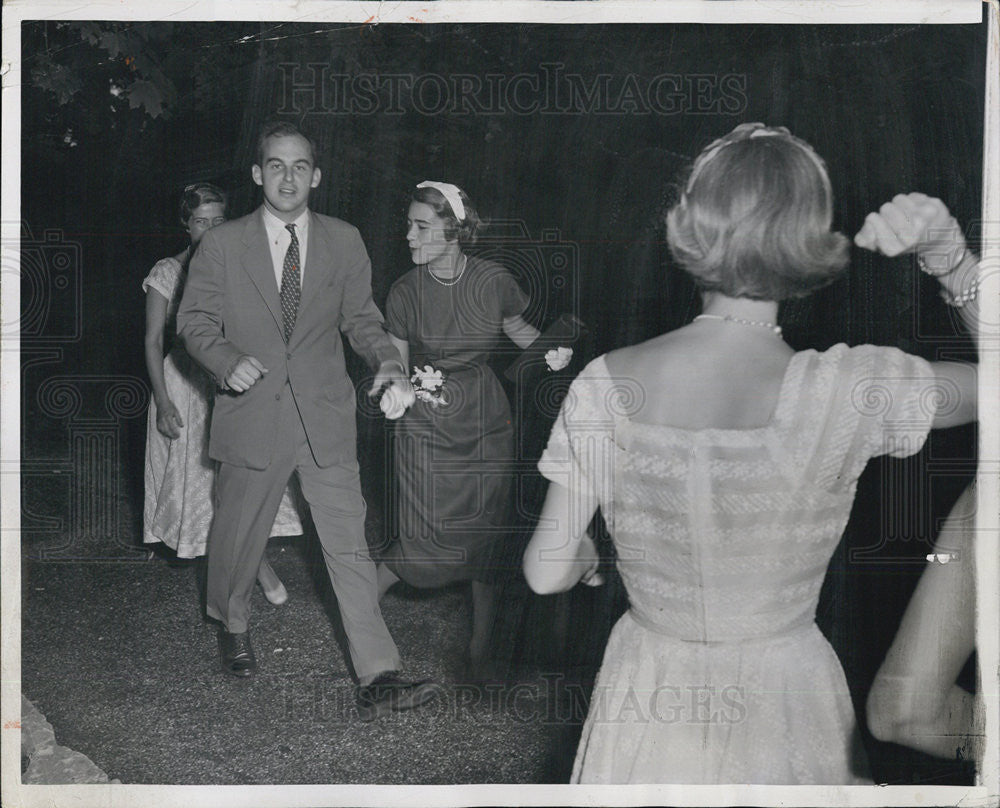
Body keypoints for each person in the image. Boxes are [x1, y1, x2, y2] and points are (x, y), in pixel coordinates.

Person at [522, 123, 980, 784]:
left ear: (688, 227)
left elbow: (544, 571)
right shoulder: (850, 388)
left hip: (648, 693)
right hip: (786, 696)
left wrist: (585, 554)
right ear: (810, 239)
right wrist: (953, 261)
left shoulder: (605, 380)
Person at [177, 122, 434, 720]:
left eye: (299, 166)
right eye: (275, 165)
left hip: (324, 416)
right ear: (257, 174)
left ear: (315, 177)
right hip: (251, 414)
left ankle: (379, 673)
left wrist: (390, 362)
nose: (287, 176)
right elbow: (193, 323)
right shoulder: (222, 245)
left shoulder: (345, 241)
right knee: (239, 538)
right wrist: (224, 361)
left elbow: (362, 320)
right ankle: (232, 622)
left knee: (348, 543)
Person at [375, 181, 572, 676]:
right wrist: (394, 389)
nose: (409, 236)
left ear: (454, 229)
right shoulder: (403, 291)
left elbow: (521, 333)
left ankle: (481, 647)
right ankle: (361, 618)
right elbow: (395, 362)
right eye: (409, 225)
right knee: (423, 535)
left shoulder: (493, 280)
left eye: (420, 227)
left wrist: (551, 352)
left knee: (484, 534)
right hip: (425, 417)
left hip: (485, 418)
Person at [142, 182, 301, 605]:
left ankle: (251, 563)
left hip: (231, 383)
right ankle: (254, 572)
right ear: (185, 225)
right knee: (207, 483)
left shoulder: (239, 267)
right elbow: (154, 341)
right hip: (184, 387)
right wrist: (162, 401)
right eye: (200, 222)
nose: (209, 230)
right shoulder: (168, 272)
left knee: (237, 479)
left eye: (218, 221)